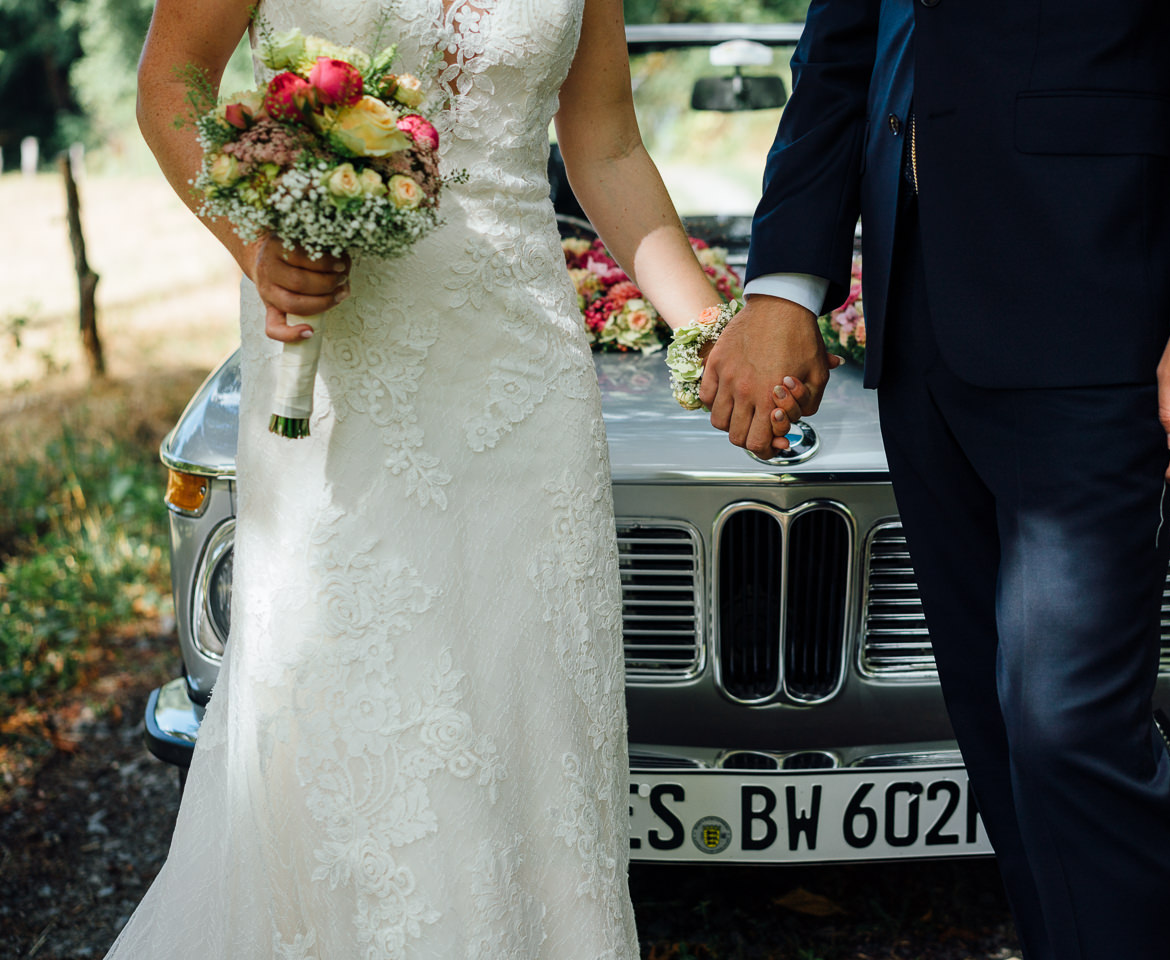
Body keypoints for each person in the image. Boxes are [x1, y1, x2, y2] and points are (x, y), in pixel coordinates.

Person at [117, 0, 756, 956]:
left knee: (522, 703)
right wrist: (253, 245)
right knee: (346, 700)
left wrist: (709, 329)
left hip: (521, 376)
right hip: (339, 351)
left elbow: (609, 145)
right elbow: (174, 79)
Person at [704, 3, 1170, 959]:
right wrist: (787, 277)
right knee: (1002, 743)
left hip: (1096, 293)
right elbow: (846, 45)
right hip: (921, 316)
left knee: (1071, 740)